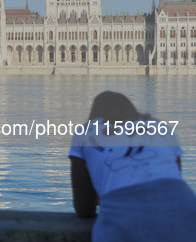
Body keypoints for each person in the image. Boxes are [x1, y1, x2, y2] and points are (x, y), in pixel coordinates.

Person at [69, 91, 196, 241]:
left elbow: (84, 209)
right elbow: (173, 177)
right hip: (187, 212)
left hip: (122, 225)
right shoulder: (162, 127)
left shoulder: (84, 132)